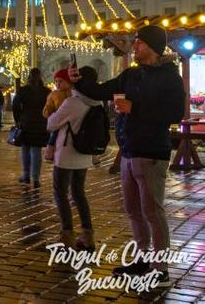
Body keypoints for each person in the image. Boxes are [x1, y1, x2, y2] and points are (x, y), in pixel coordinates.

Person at [69, 25, 183, 286]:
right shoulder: (131, 75)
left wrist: (136, 108)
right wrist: (79, 81)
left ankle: (160, 268)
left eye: (139, 43)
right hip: (129, 149)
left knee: (153, 211)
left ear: (152, 47)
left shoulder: (169, 77)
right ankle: (143, 260)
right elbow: (99, 91)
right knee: (133, 209)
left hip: (152, 151)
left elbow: (175, 113)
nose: (134, 46)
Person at [46, 66, 98, 251]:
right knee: (79, 193)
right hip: (84, 155)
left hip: (66, 154)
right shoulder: (95, 102)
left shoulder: (72, 103)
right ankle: (87, 234)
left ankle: (67, 235)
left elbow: (51, 124)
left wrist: (54, 111)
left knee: (60, 193)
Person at [12, 68, 50, 187]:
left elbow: (15, 106)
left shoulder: (23, 91)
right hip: (41, 123)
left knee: (25, 149)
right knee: (36, 150)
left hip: (26, 122)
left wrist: (18, 119)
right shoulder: (46, 91)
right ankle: (36, 178)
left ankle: (26, 175)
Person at [43, 68, 74, 162]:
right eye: (56, 81)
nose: (57, 84)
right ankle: (50, 151)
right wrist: (48, 111)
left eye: (60, 81)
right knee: (54, 134)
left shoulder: (74, 93)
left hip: (72, 120)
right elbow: (48, 106)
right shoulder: (54, 94)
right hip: (59, 119)